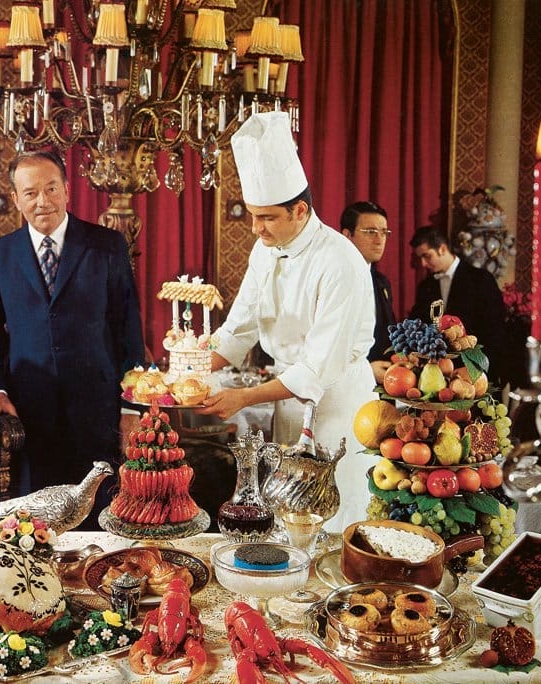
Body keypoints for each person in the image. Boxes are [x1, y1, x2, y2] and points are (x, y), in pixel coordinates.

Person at [196, 111, 377, 533]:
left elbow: (316, 369)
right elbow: (238, 329)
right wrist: (185, 373)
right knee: (285, 523)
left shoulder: (340, 261)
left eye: (266, 217)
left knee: (332, 523)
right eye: (252, 215)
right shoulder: (265, 249)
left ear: (300, 210)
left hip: (337, 408)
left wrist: (244, 398)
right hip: (287, 402)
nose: (255, 228)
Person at [0, 150, 145, 520]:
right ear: (16, 199)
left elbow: (129, 331)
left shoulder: (107, 246)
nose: (43, 201)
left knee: (103, 520)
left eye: (51, 189)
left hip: (98, 413)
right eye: (30, 193)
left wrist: (132, 407)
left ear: (67, 190)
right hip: (30, 418)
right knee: (34, 527)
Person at [408, 225, 509, 385]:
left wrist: (475, 370)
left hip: (476, 375)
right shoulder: (425, 286)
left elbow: (495, 333)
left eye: (427, 256)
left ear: (442, 249)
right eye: (420, 258)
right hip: (436, 377)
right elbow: (417, 326)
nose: (423, 263)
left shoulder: (482, 280)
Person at [339, 201, 396, 383]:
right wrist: (365, 370)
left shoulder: (381, 281)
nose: (379, 240)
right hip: (344, 384)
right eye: (371, 232)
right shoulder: (334, 279)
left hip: (382, 382)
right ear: (347, 235)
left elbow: (387, 334)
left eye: (384, 232)